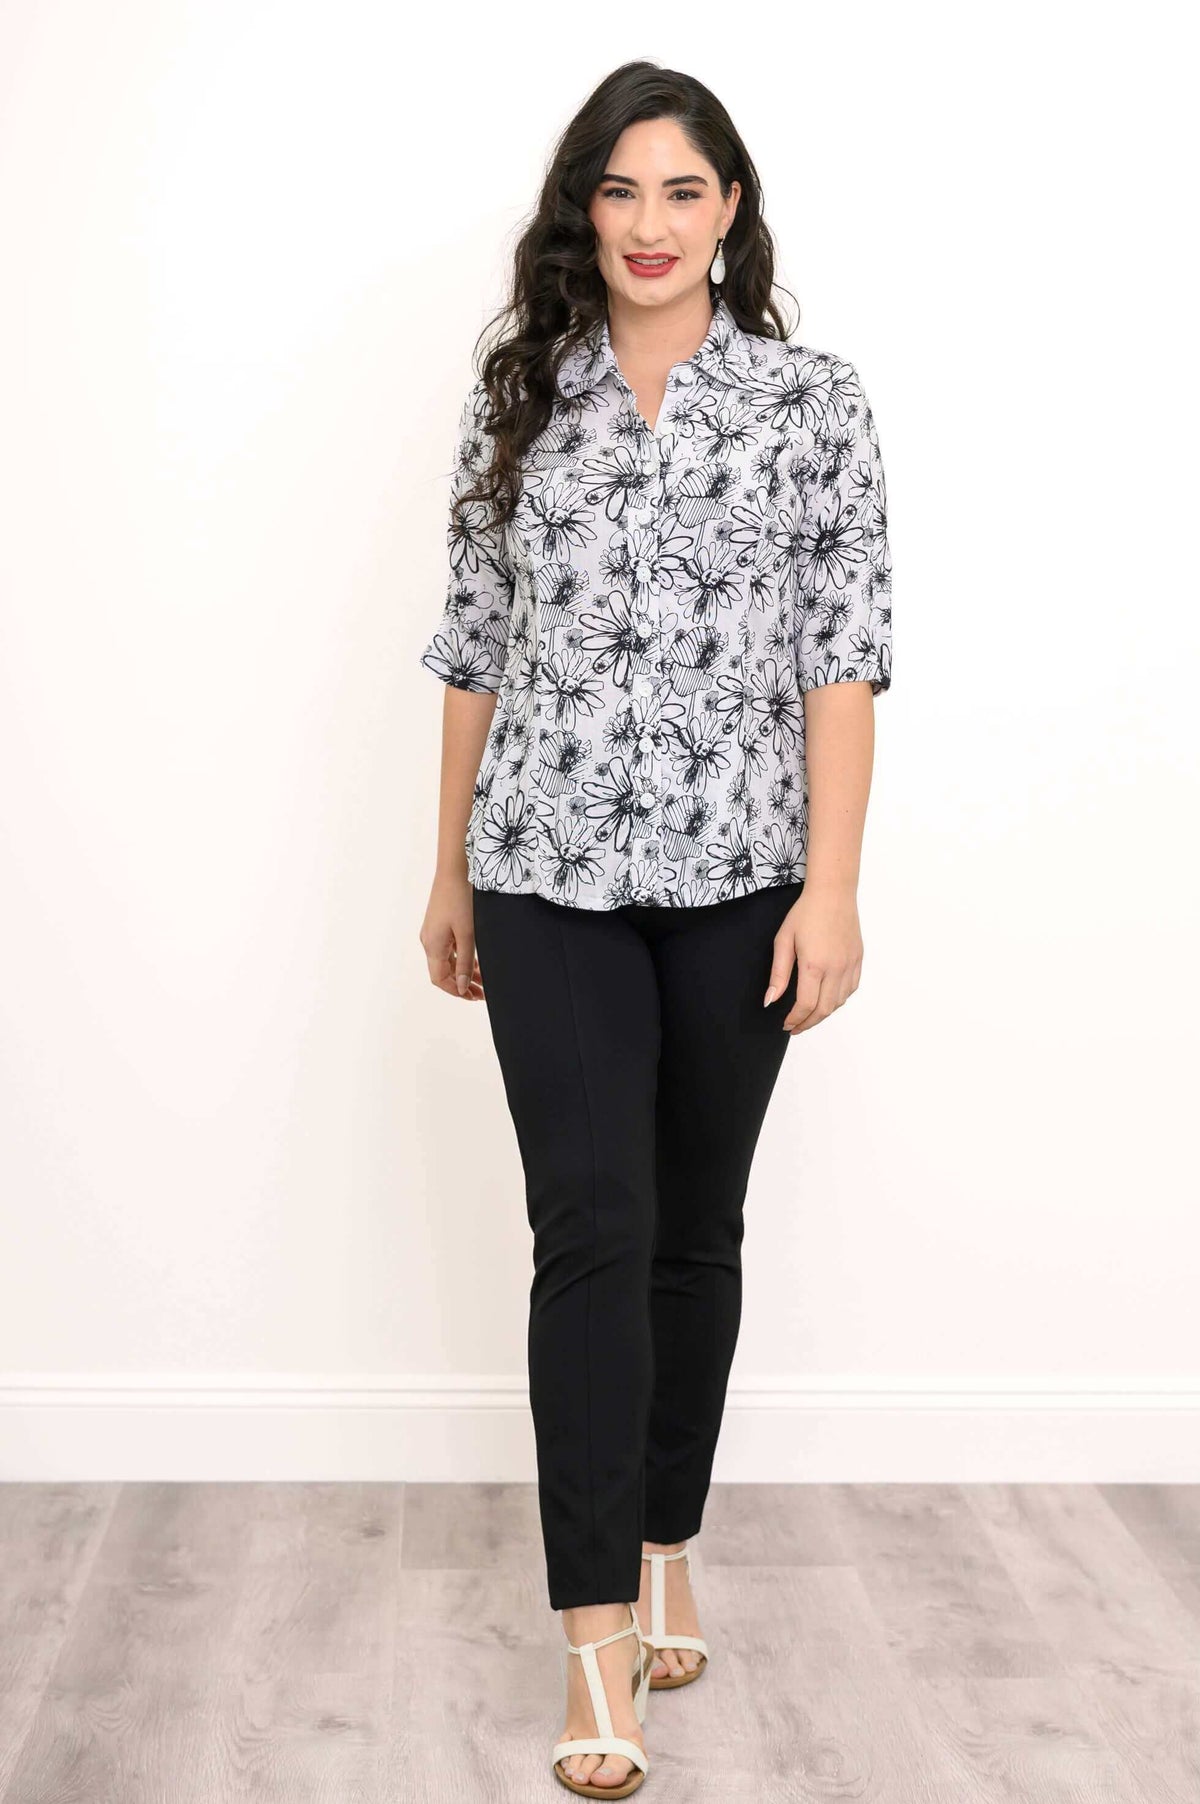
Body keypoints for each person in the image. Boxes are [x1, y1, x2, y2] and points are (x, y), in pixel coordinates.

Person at [417, 58, 892, 1798]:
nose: (649, 224)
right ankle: (594, 1636)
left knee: (694, 1229)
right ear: (584, 212)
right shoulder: (521, 398)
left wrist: (833, 888)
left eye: (682, 191)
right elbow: (473, 646)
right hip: (544, 872)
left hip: (743, 883)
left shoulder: (812, 407)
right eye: (619, 191)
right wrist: (448, 869)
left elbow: (843, 659)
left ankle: (669, 1536)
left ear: (730, 210)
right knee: (593, 1230)